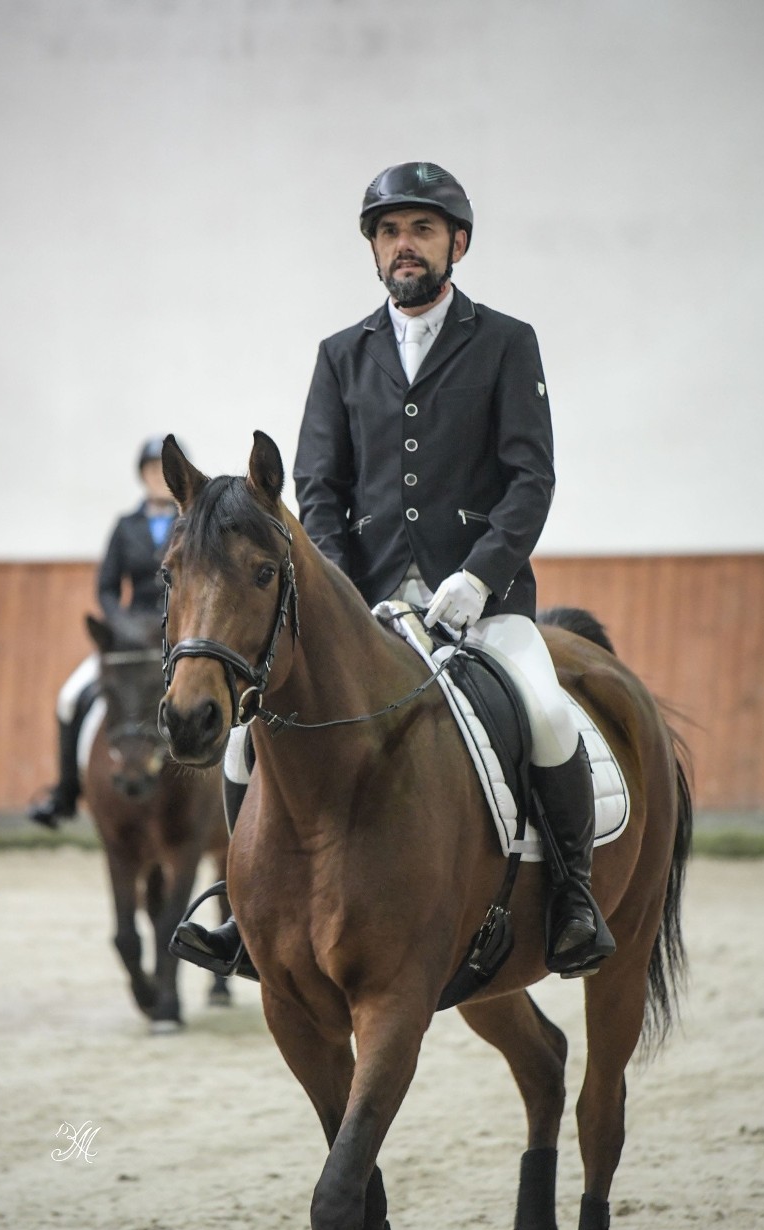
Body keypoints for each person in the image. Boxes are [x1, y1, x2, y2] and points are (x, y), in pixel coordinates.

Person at [176, 161, 615, 979]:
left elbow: (531, 478)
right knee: (246, 738)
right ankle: (237, 909)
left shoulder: (507, 343)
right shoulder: (341, 354)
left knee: (549, 716)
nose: (403, 246)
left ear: (458, 243)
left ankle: (572, 897)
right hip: (363, 602)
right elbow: (320, 486)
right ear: (374, 252)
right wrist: (344, 593)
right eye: (388, 233)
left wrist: (480, 576)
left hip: (483, 601)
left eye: (419, 230)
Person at [28, 437, 178, 828]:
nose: (158, 479)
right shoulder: (125, 527)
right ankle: (64, 793)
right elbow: (107, 587)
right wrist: (121, 624)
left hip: (176, 635)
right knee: (69, 697)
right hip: (129, 641)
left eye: (165, 473)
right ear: (142, 476)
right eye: (151, 472)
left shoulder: (191, 523)